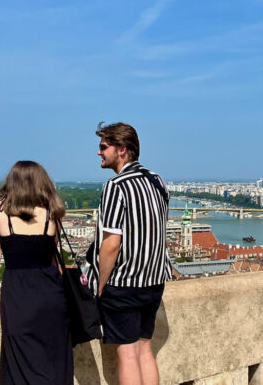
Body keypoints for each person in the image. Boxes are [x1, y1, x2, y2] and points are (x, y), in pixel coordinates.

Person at [88, 122, 171, 385]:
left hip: (124, 283)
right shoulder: (157, 181)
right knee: (145, 349)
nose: (99, 153)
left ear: (121, 150)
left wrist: (100, 286)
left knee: (127, 354)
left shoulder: (116, 186)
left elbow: (111, 242)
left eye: (104, 147)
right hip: (154, 281)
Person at [0, 161, 70, 384]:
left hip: (18, 294)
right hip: (51, 291)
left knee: (20, 360)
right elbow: (53, 254)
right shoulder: (51, 212)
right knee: (54, 357)